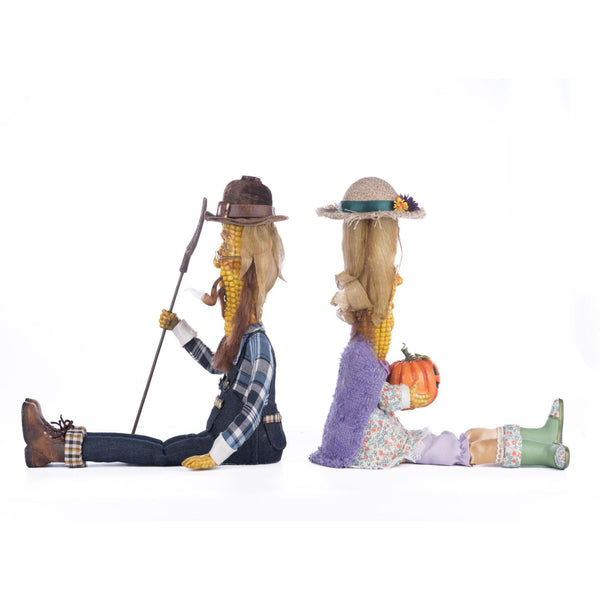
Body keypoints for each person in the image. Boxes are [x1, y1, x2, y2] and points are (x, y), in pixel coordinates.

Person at [22, 176, 287, 470]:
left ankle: (55, 448)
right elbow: (216, 365)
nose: (219, 259)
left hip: (250, 446)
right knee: (162, 446)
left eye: (227, 243)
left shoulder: (258, 344)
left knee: (161, 452)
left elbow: (252, 409)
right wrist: (179, 329)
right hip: (226, 438)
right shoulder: (242, 338)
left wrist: (216, 455)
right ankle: (58, 443)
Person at [309, 176, 569, 470]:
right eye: (387, 304)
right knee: (467, 450)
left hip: (383, 435)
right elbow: (373, 396)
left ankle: (542, 435)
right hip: (372, 446)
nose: (389, 315)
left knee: (467, 437)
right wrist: (411, 395)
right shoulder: (359, 355)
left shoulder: (362, 352)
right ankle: (544, 454)